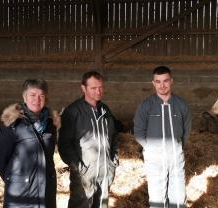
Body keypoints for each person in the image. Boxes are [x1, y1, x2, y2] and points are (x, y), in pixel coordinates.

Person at [58, 70, 122, 208]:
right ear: (83, 88)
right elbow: (64, 144)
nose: (98, 91)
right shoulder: (73, 111)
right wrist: (79, 168)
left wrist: (113, 161)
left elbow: (114, 136)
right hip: (85, 174)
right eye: (93, 88)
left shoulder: (105, 110)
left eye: (100, 87)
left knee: (101, 205)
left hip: (105, 173)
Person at [133, 66, 191, 208]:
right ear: (153, 83)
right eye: (158, 82)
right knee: (157, 199)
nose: (162, 85)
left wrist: (177, 147)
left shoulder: (181, 104)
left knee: (178, 198)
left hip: (176, 157)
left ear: (171, 81)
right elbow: (139, 131)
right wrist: (151, 149)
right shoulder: (146, 105)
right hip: (154, 159)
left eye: (165, 81)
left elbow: (186, 130)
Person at [0, 79, 56, 208]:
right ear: (24, 97)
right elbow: (0, 159)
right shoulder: (13, 124)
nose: (37, 99)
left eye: (41, 96)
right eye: (32, 95)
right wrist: (16, 180)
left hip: (46, 190)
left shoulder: (51, 124)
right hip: (20, 192)